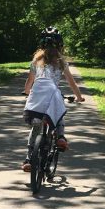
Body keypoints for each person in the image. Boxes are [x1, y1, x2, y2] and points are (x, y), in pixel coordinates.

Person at [22, 27, 84, 172]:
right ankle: (61, 137)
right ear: (60, 45)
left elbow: (29, 81)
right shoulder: (62, 62)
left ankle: (28, 159)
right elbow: (71, 82)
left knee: (36, 126)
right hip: (53, 94)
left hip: (37, 96)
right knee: (59, 113)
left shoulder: (36, 61)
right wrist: (79, 97)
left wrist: (26, 92)